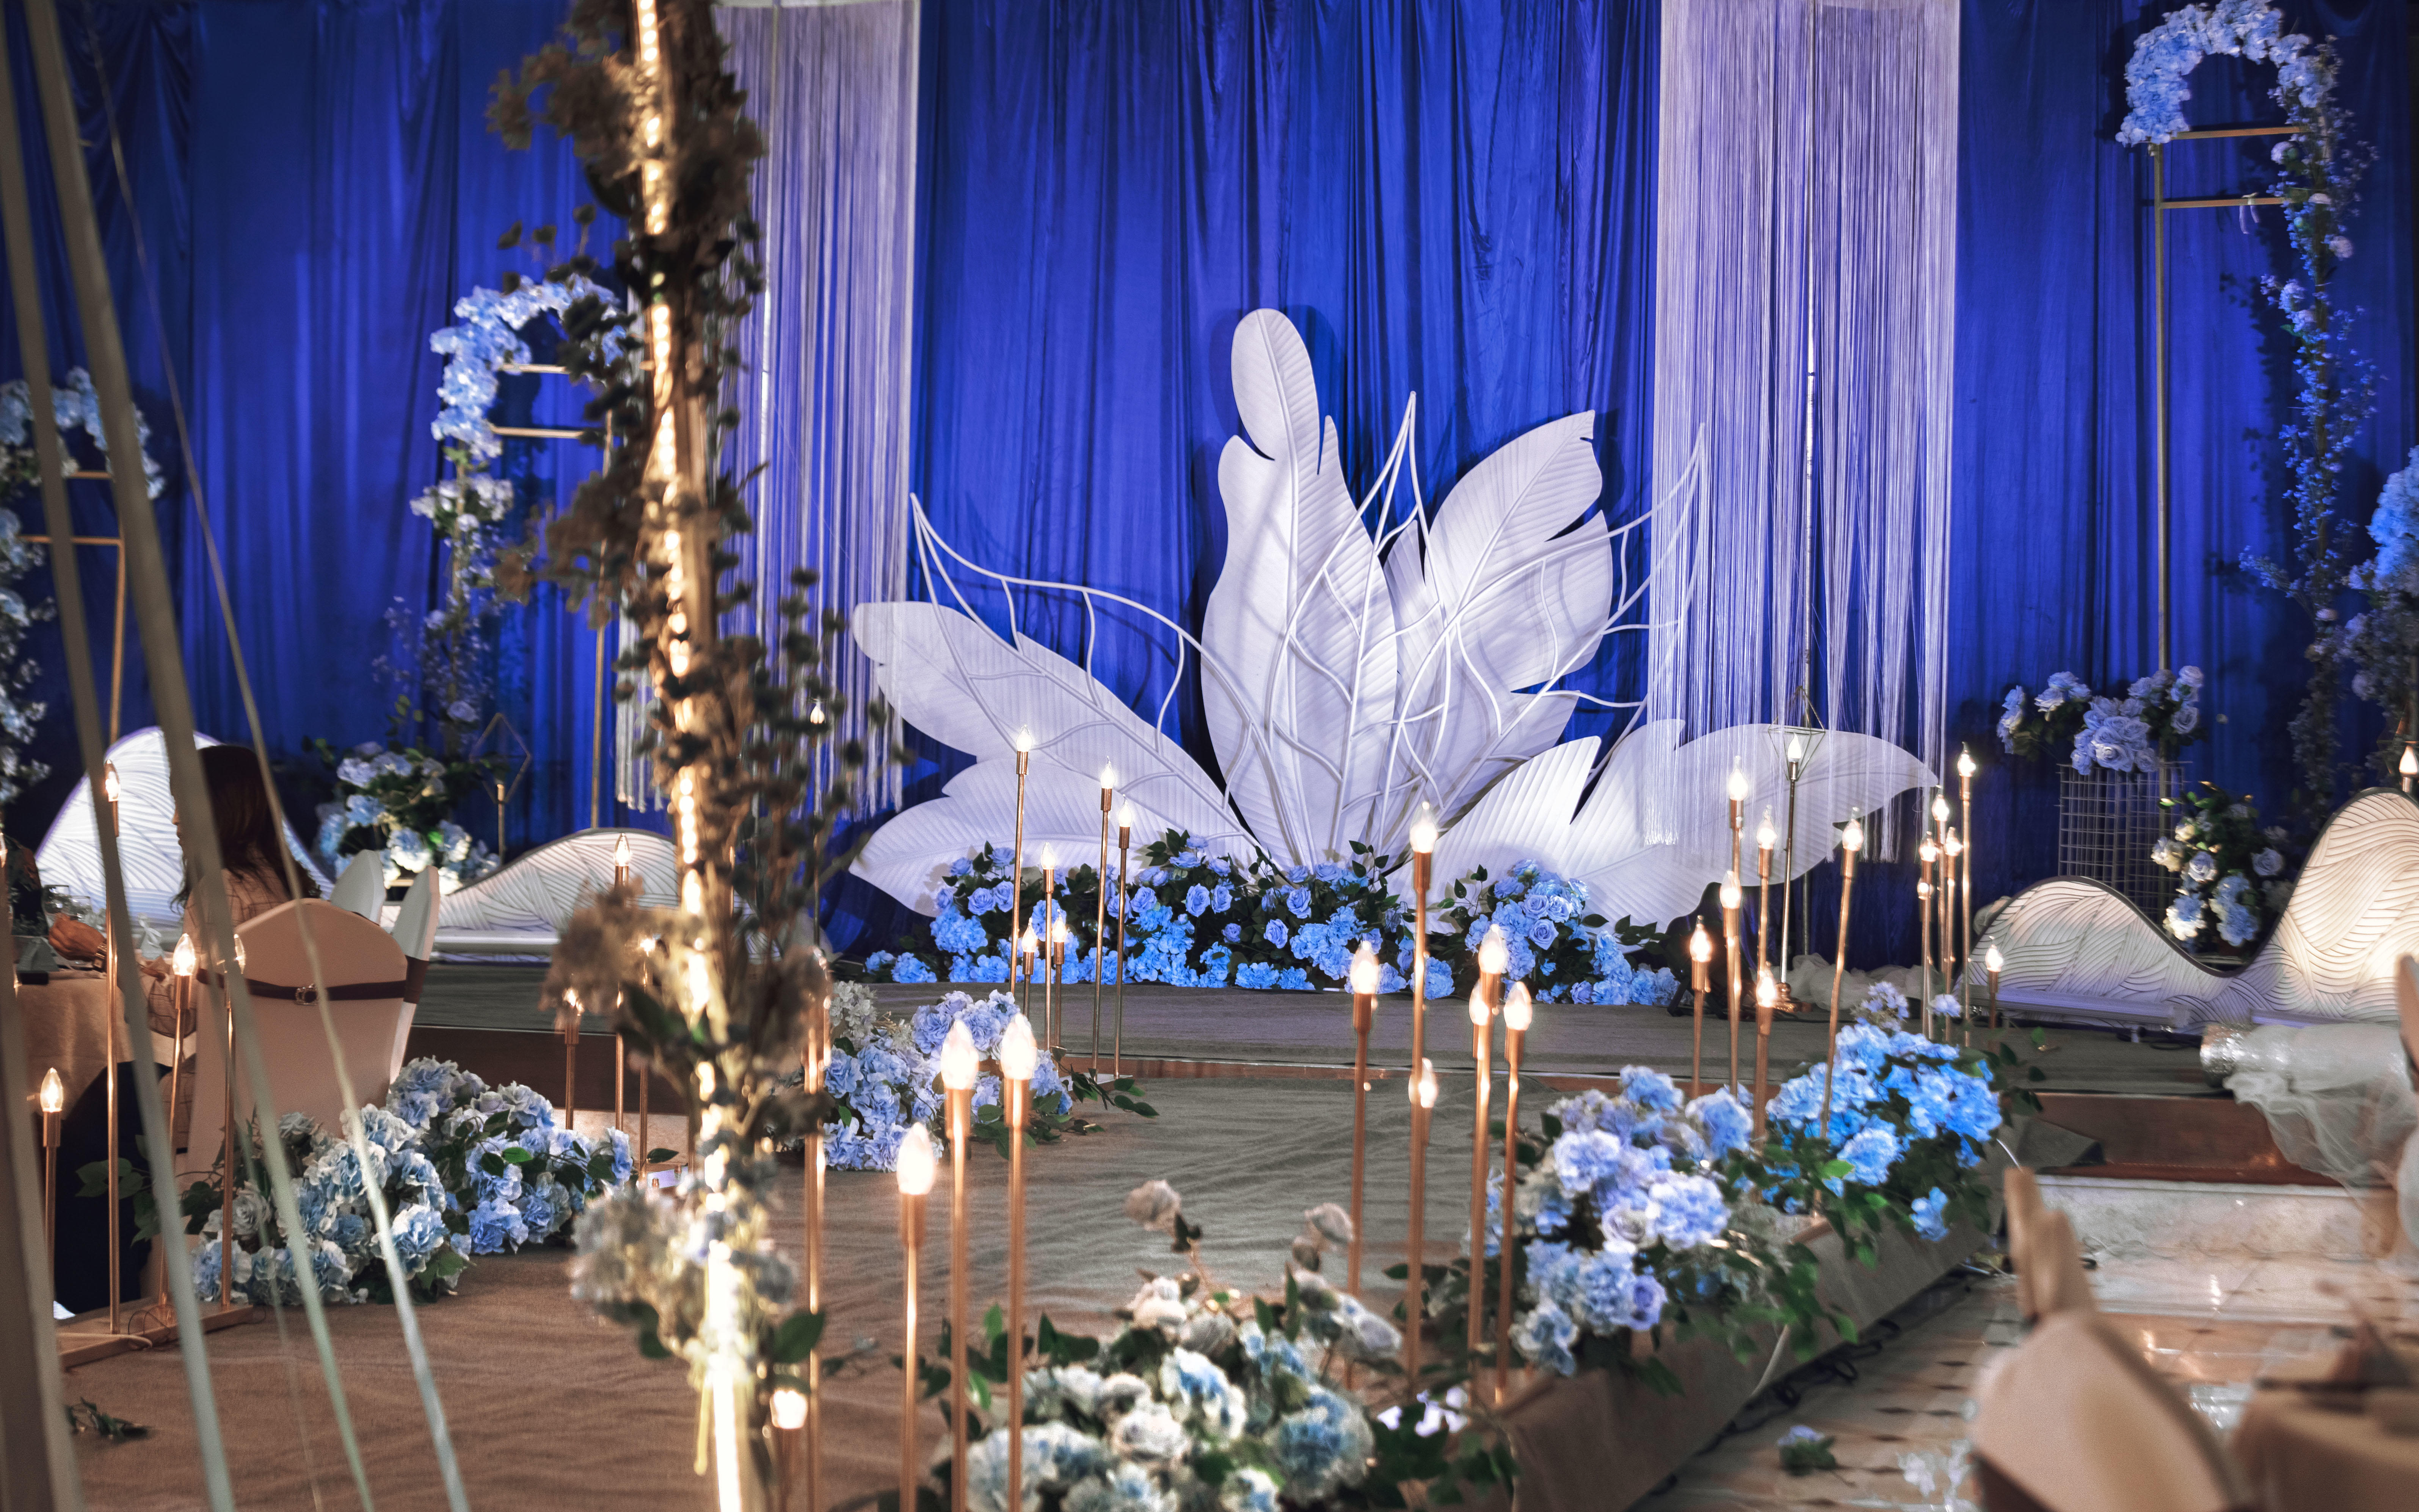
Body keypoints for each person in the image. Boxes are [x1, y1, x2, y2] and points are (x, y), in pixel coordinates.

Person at [53, 745, 317, 1315]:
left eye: (183, 804)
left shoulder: (221, 889)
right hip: (279, 1087)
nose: (175, 820)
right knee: (120, 1088)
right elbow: (212, 989)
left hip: (218, 1096)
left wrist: (103, 956)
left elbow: (180, 1015)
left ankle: (94, 1293)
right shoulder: (293, 888)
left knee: (100, 1111)